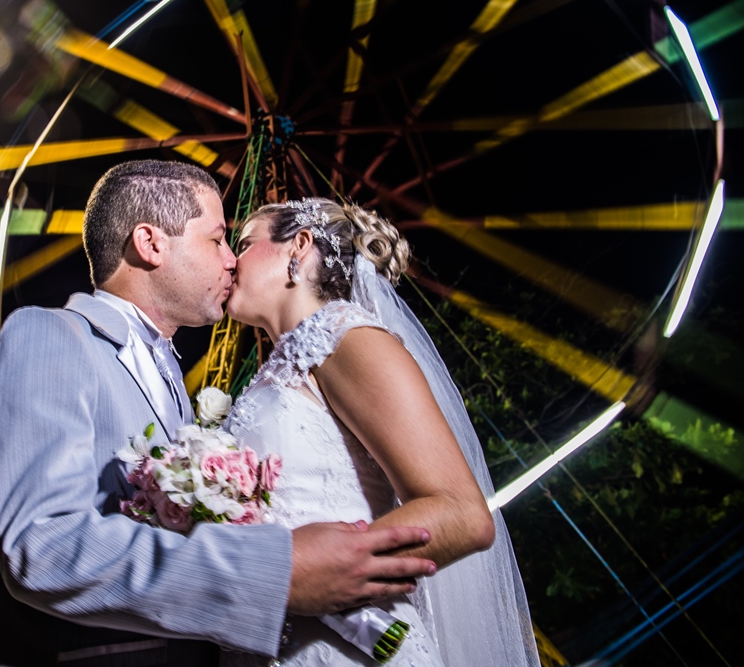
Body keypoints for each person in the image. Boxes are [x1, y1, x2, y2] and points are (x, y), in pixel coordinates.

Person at [0, 162, 438, 666]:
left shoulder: (174, 380)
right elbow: (43, 544)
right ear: (151, 244)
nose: (232, 261)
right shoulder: (49, 336)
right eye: (217, 240)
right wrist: (274, 572)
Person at [222, 198, 541, 666]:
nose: (230, 260)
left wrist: (302, 571)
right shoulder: (279, 367)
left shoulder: (346, 338)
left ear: (300, 246)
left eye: (245, 244)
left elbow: (461, 514)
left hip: (355, 648)